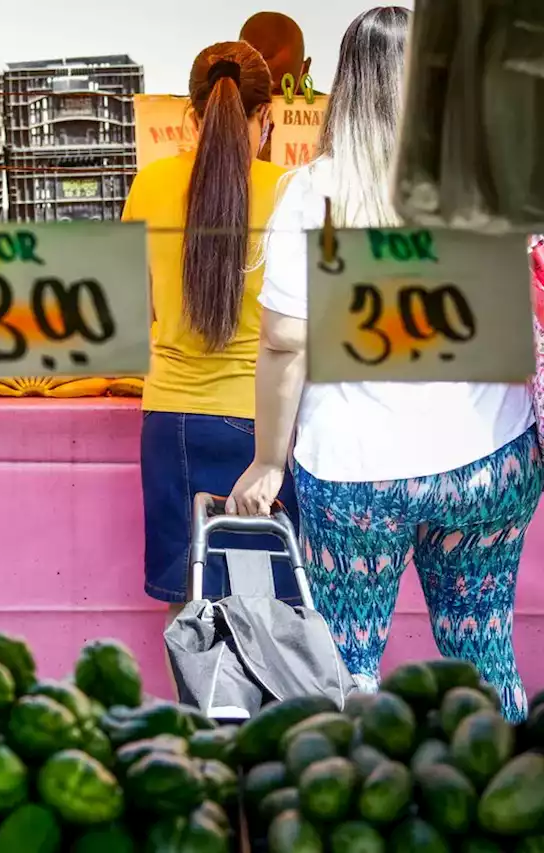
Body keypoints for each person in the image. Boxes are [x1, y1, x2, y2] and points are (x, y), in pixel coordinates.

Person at [228, 7, 540, 721]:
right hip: (491, 460)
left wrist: (268, 460)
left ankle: (357, 810)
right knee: (484, 650)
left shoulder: (316, 193)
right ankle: (512, 806)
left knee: (347, 664)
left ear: (349, 86)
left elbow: (283, 338)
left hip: (358, 474)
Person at [121, 41, 300, 614]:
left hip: (172, 419)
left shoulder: (151, 183)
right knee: (274, 606)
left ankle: (198, 708)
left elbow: (132, 311)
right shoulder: (291, 190)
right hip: (268, 424)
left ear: (192, 117)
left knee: (189, 604)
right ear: (266, 117)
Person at [239, 12, 313, 162]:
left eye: (279, 92)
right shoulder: (210, 115)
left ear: (304, 70)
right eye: (255, 90)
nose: (265, 113)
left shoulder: (332, 124)